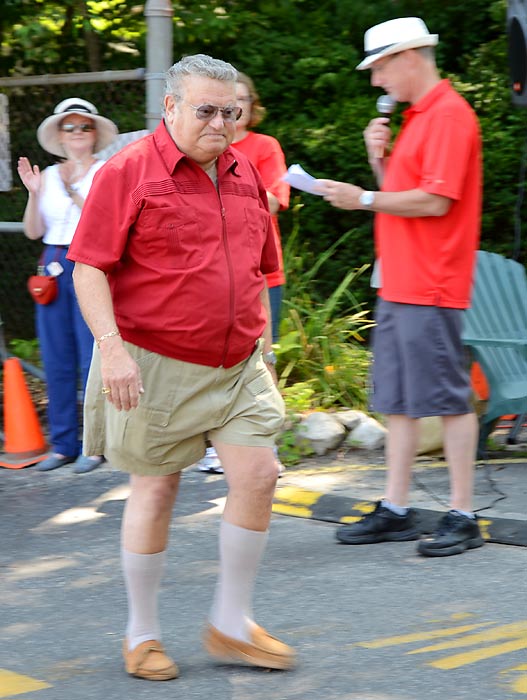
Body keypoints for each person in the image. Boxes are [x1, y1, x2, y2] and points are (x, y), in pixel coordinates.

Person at [67, 54, 295, 680]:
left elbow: (259, 269)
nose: (220, 123)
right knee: (157, 487)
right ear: (169, 109)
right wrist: (112, 349)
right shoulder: (128, 172)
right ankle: (141, 633)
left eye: (231, 111)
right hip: (154, 361)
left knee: (259, 472)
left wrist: (265, 345)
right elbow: (89, 267)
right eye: (206, 110)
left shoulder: (245, 169)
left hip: (239, 361)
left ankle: (230, 623)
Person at [316, 17, 485, 557]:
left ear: (410, 55)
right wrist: (378, 161)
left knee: (449, 400)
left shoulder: (451, 116)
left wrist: (362, 197)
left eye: (381, 66)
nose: (375, 81)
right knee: (398, 400)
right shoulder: (419, 118)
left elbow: (436, 203)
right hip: (402, 277)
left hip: (430, 280)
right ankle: (396, 509)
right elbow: (407, 195)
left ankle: (463, 515)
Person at [196, 70, 290, 475]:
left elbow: (272, 201)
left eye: (239, 104)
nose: (230, 112)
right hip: (213, 274)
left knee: (262, 357)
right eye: (221, 105)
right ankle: (218, 445)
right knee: (214, 358)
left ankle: (265, 445)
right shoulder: (203, 146)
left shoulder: (264, 146)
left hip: (259, 271)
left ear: (251, 108)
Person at [17, 98, 118, 474]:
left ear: (95, 134)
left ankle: (96, 445)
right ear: (59, 135)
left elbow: (105, 222)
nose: (77, 133)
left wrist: (73, 187)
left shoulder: (107, 171)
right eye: (69, 127)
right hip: (52, 264)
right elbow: (33, 231)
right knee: (56, 356)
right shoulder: (45, 176)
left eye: (84, 127)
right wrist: (34, 192)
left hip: (90, 261)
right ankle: (63, 445)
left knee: (92, 357)